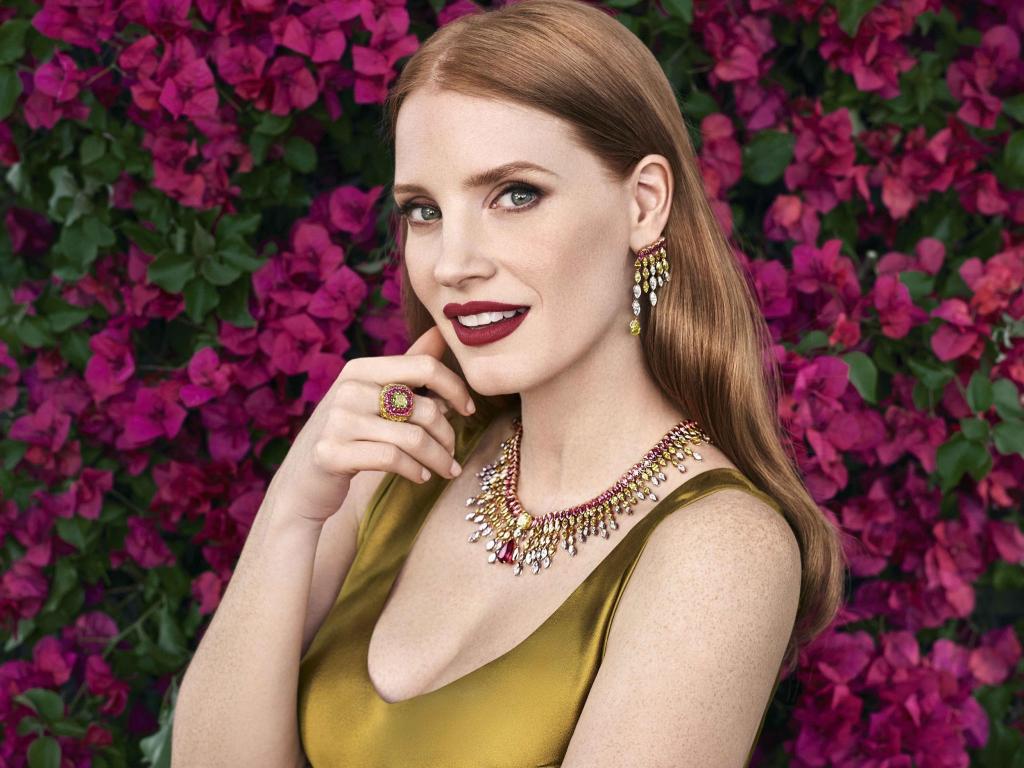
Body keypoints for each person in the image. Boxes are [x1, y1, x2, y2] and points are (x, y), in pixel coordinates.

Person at [171, 0, 847, 766]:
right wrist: (292, 509)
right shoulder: (395, 465)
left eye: (515, 194)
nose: (453, 263)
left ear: (643, 203)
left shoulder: (721, 550)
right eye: (423, 211)